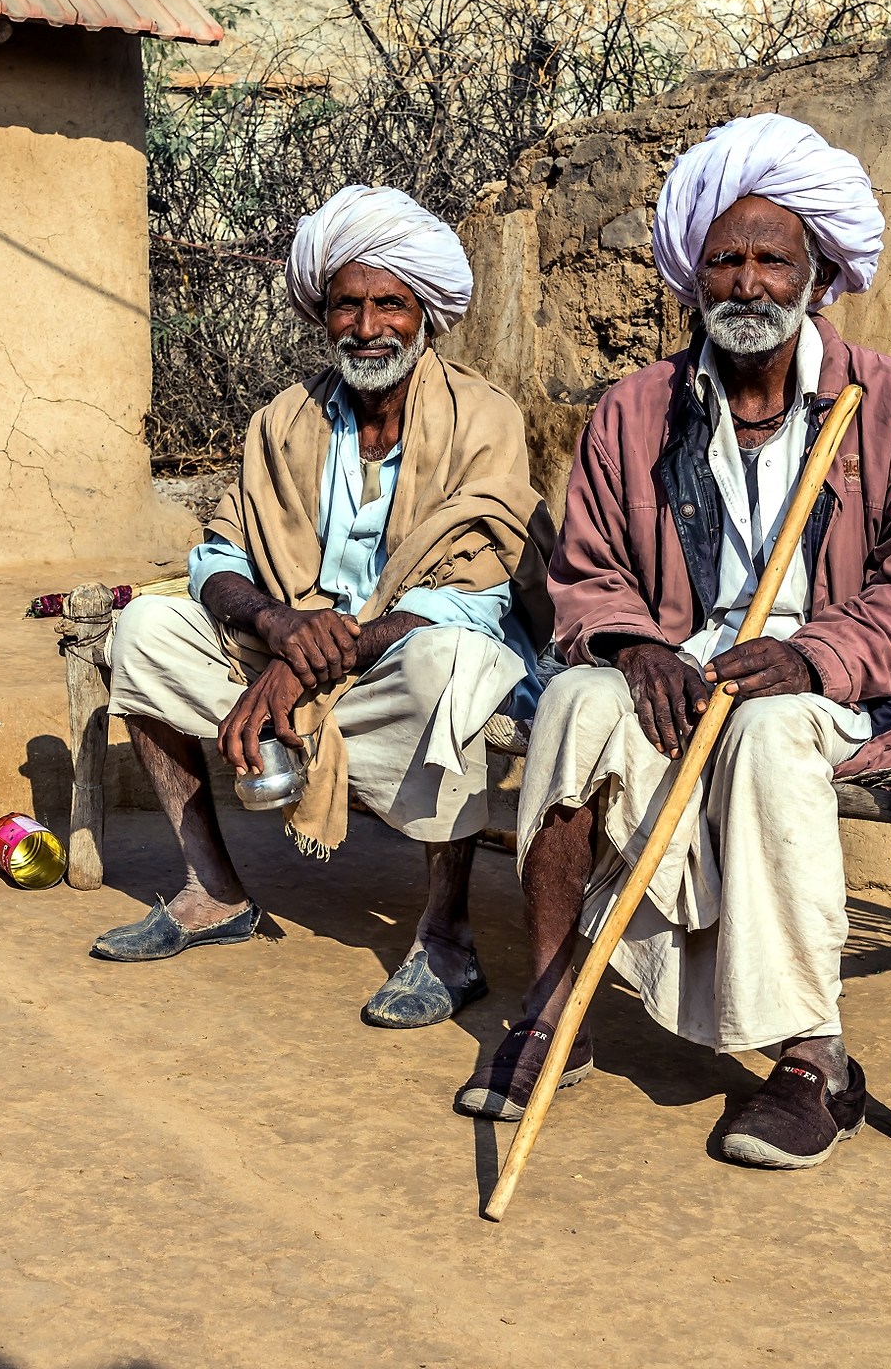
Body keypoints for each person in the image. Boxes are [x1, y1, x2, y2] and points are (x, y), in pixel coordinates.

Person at [453, 115, 891, 1169]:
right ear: (694, 277)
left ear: (816, 272)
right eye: (724, 260)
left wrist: (815, 655)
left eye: (770, 259)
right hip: (679, 668)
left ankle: (812, 1057)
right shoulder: (636, 411)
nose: (746, 283)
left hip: (835, 685)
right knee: (574, 705)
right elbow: (587, 571)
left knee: (773, 731)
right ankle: (556, 1009)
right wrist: (636, 645)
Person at [94, 185, 550, 1030]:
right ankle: (212, 890)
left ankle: (445, 937)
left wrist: (321, 654)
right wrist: (277, 627)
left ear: (426, 314)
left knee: (456, 664)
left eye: (390, 304)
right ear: (322, 312)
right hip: (283, 654)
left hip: (398, 658)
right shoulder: (283, 422)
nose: (368, 326)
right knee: (145, 629)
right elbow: (219, 558)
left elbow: (476, 593)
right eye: (348, 304)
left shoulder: (484, 417)